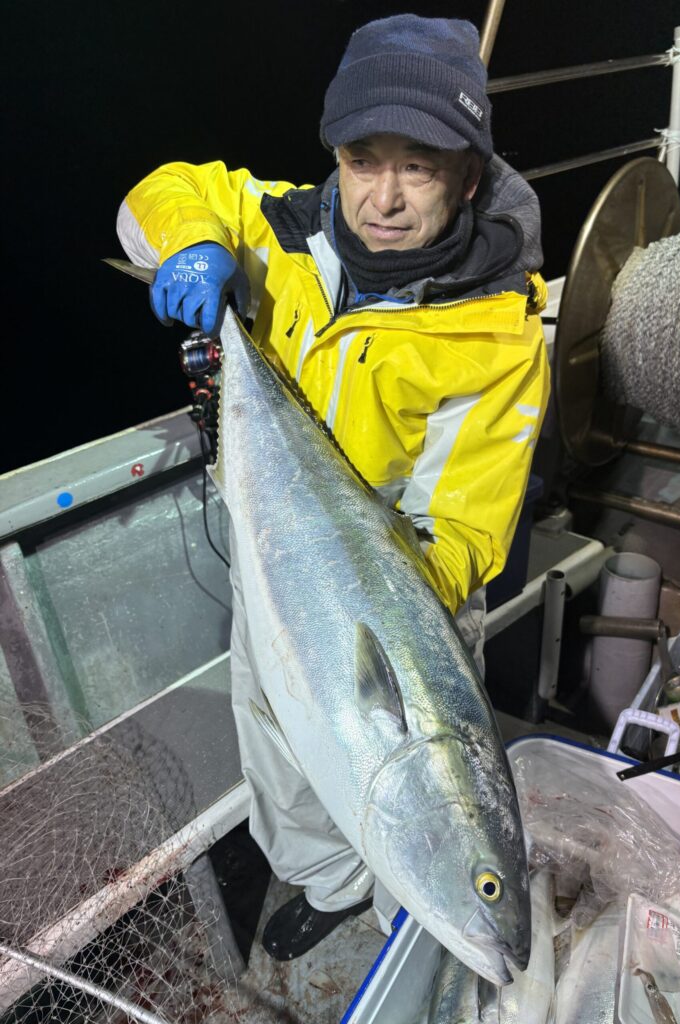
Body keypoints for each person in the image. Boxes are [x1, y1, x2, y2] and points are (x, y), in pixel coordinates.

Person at [117, 14, 549, 962]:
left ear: (467, 178)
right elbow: (156, 196)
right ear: (337, 159)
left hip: (404, 607)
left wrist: (347, 585)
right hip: (273, 551)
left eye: (419, 168)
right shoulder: (280, 231)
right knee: (277, 740)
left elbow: (462, 533)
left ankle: (409, 914)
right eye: (362, 161)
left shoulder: (498, 334)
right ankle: (329, 882)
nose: (382, 198)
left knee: (396, 770)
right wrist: (192, 244)